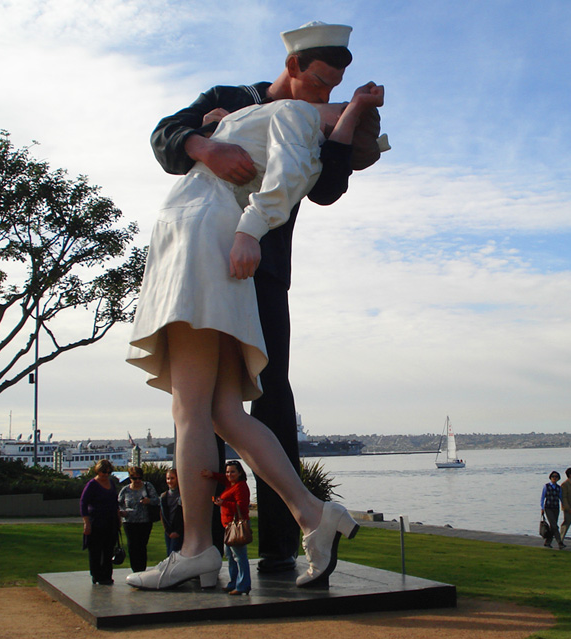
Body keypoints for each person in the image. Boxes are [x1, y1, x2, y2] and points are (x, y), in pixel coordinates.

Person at [125, 83, 381, 590]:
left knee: (190, 410)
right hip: (206, 236)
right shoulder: (266, 110)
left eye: (334, 104)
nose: (324, 101)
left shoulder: (291, 114)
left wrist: (248, 225)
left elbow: (301, 176)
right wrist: (212, 131)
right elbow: (169, 136)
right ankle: (311, 513)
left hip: (199, 234)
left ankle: (198, 548)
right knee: (221, 412)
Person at [202, 461, 252, 595]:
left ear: (240, 472)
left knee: (240, 557)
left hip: (236, 526)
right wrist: (211, 474)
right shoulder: (231, 484)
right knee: (230, 556)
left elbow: (242, 507)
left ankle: (243, 585)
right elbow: (223, 478)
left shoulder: (240, 487)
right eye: (228, 471)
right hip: (228, 526)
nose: (229, 474)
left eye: (233, 472)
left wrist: (224, 503)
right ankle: (234, 582)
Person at [79, 459, 120, 585]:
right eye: (103, 472)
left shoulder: (111, 483)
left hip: (110, 521)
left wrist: (118, 518)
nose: (106, 475)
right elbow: (83, 503)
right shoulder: (92, 484)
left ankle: (107, 575)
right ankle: (97, 575)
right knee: (96, 550)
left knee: (108, 550)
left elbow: (114, 502)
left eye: (108, 472)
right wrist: (86, 522)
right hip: (96, 521)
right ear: (98, 471)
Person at [118, 466, 161, 572]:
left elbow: (157, 500)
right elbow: (118, 503)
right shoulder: (125, 490)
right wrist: (122, 512)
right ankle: (135, 569)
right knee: (132, 546)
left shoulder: (147, 486)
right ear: (130, 478)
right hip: (129, 522)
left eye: (139, 478)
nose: (137, 481)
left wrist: (149, 501)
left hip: (144, 521)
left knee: (142, 545)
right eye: (134, 478)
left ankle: (141, 568)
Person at [160, 468, 184, 556]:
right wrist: (168, 531)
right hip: (169, 531)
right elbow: (163, 515)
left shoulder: (182, 495)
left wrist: (178, 531)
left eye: (172, 478)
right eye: (168, 478)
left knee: (174, 553)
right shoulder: (164, 496)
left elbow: (184, 515)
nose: (170, 481)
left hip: (179, 530)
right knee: (170, 553)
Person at [540, 470, 565, 549]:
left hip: (556, 508)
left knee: (552, 526)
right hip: (548, 508)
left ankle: (547, 542)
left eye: (556, 477)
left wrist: (564, 506)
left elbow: (561, 498)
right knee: (554, 525)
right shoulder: (546, 486)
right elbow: (542, 498)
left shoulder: (559, 488)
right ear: (550, 477)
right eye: (553, 476)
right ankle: (559, 542)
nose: (554, 478)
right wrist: (542, 508)